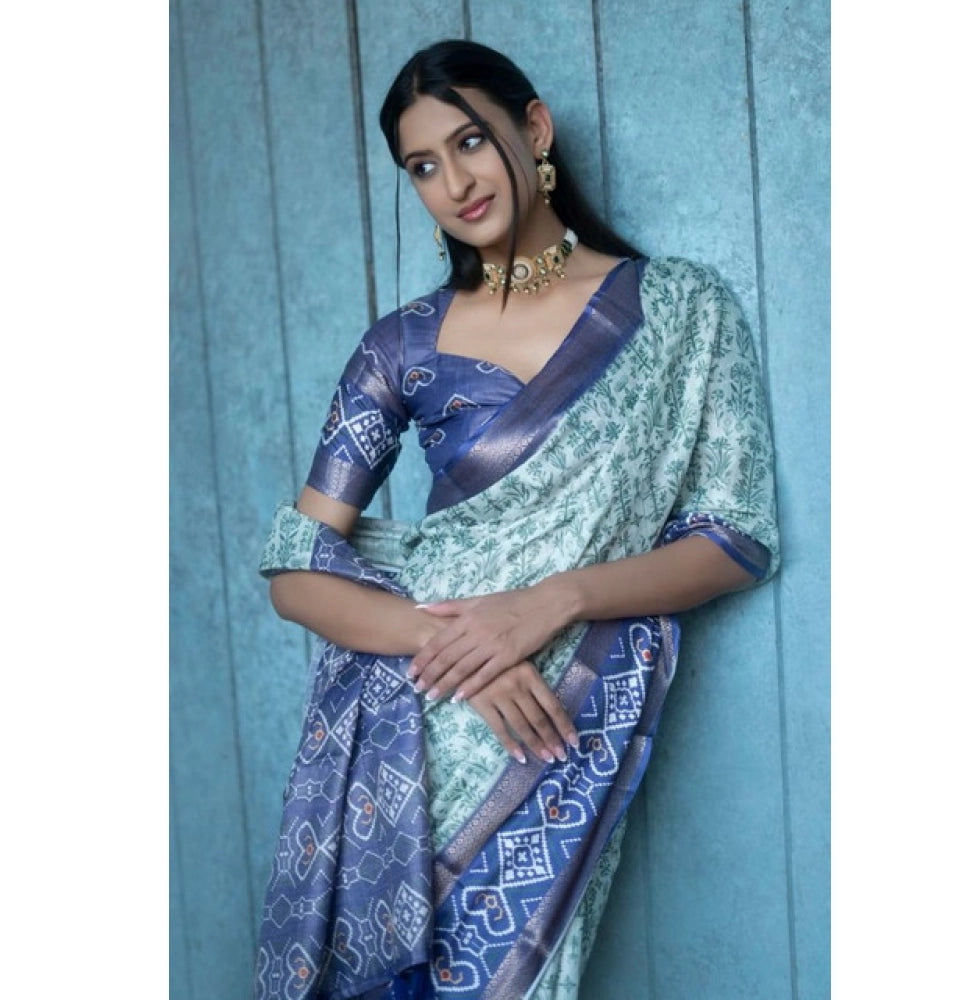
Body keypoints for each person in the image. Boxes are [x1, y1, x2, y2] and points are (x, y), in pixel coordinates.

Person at [253, 39, 779, 1000]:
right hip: (418, 718)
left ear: (533, 129)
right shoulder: (401, 346)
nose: (454, 184)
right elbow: (296, 569)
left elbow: (734, 536)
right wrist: (452, 647)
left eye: (469, 143)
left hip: (561, 709)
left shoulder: (682, 310)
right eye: (423, 166)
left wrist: (550, 603)